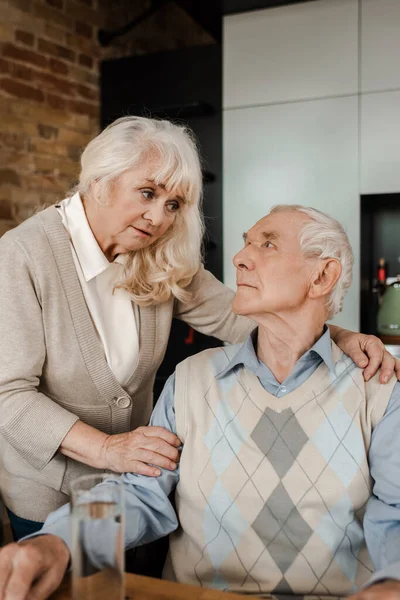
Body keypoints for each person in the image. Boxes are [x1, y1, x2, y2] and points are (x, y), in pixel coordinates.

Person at [0, 117, 397, 541]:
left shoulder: (156, 255)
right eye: (148, 193)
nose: (158, 217)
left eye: (174, 204)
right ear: (101, 181)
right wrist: (106, 449)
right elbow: (8, 396)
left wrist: (339, 337)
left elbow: (246, 315)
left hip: (139, 491)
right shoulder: (22, 256)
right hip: (50, 494)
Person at [2, 204, 400, 600]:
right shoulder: (191, 380)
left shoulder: (379, 388)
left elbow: (396, 513)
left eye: (268, 244)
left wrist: (391, 583)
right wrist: (58, 542)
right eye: (245, 244)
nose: (240, 257)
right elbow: (141, 496)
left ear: (323, 276)